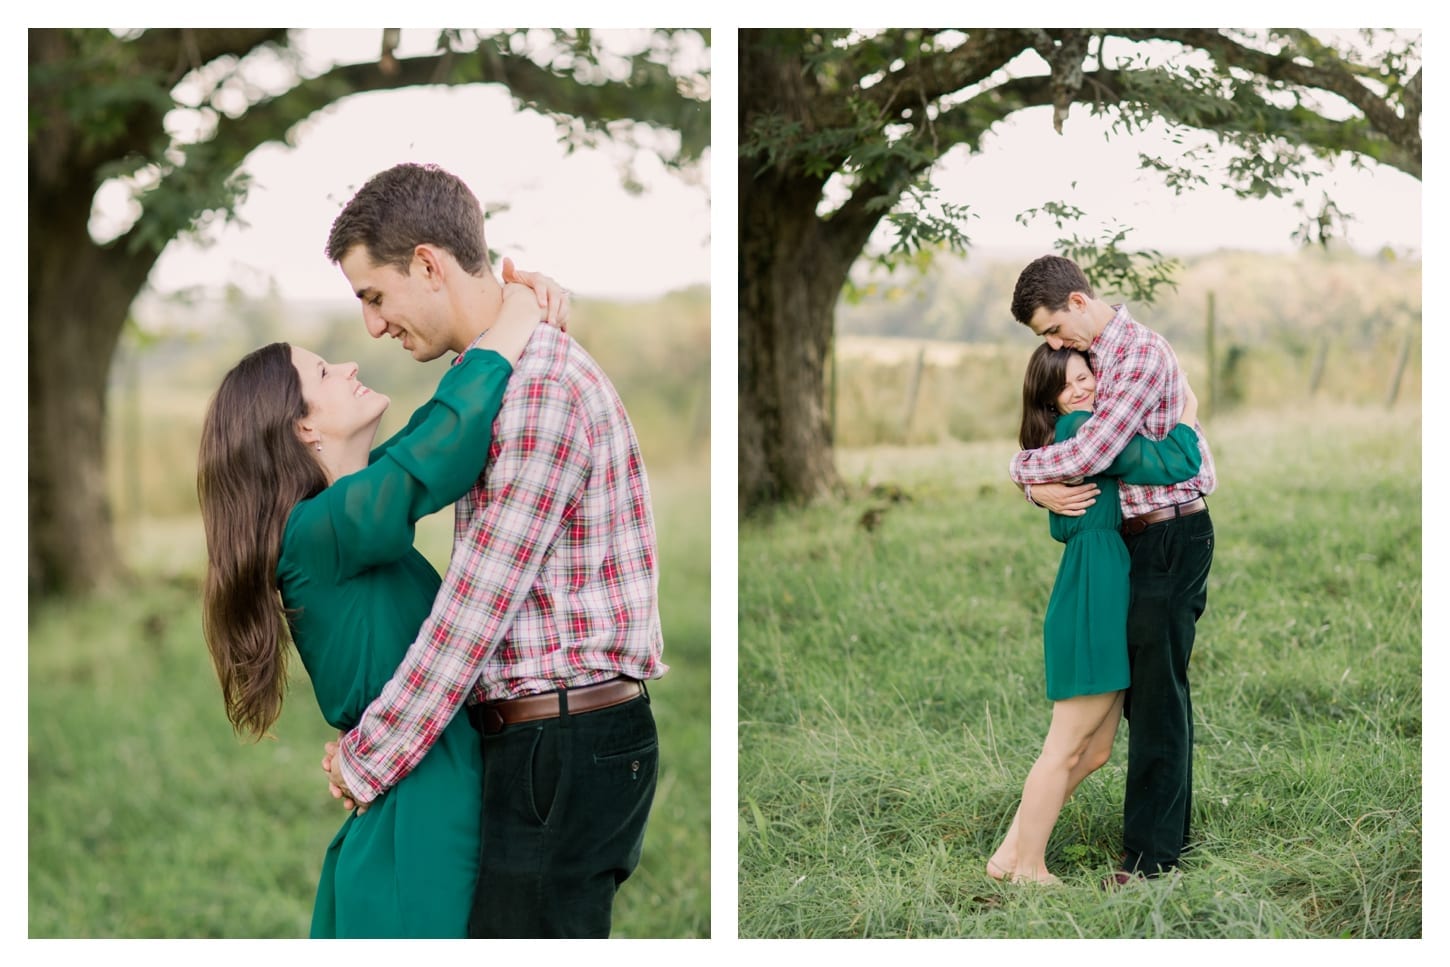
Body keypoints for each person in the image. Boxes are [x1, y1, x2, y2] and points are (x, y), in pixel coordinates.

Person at [317, 162, 668, 938]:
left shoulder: (538, 387)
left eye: (374, 295)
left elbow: (474, 608)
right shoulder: (500, 378)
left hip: (564, 742)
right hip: (543, 737)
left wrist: (368, 753)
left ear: (430, 265)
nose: (371, 325)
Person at [197, 270, 568, 936]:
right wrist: (515, 316)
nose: (347, 364)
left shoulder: (340, 522)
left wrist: (509, 312)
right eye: (322, 372)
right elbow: (440, 449)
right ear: (303, 428)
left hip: (428, 790)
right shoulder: (316, 533)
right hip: (418, 822)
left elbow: (432, 433)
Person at [1007, 254, 1217, 887]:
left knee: (1156, 697)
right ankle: (1026, 849)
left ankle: (1151, 862)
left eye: (1052, 329)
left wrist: (1020, 470)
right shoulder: (1095, 360)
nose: (1053, 345)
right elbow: (1064, 442)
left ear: (1077, 301)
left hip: (1168, 534)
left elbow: (1094, 451)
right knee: (1129, 703)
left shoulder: (1137, 355)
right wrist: (1039, 485)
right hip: (1124, 547)